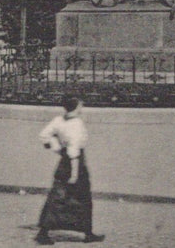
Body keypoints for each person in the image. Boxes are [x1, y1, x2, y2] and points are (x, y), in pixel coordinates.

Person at [35, 95, 105, 244]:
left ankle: (44, 232)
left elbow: (44, 136)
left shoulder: (58, 120)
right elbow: (74, 150)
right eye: (80, 105)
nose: (82, 108)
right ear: (76, 107)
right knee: (83, 198)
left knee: (57, 197)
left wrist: (57, 148)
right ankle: (87, 233)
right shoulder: (76, 124)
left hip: (64, 161)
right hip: (76, 163)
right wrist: (74, 174)